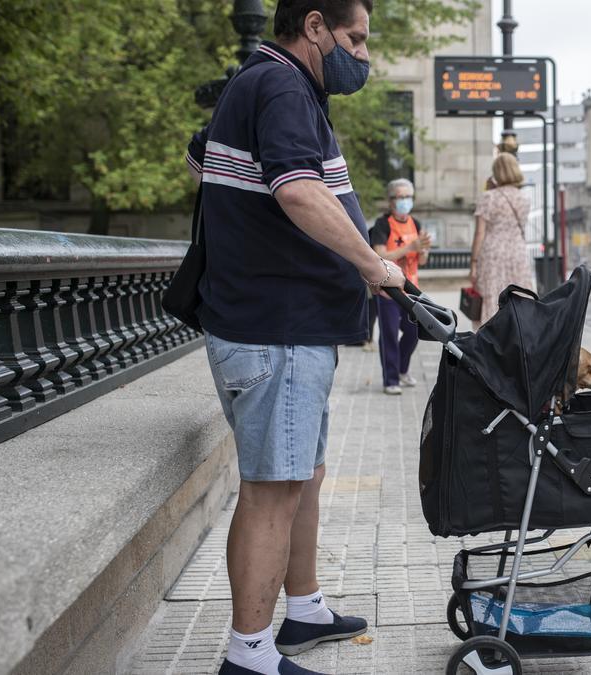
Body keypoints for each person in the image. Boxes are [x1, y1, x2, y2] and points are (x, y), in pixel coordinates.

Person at [184, 2, 404, 674]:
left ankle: (302, 608)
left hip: (285, 324)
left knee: (300, 475)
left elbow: (201, 160)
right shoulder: (280, 84)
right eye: (356, 38)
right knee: (273, 488)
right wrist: (371, 263)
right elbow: (299, 190)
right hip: (274, 327)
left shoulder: (270, 84)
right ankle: (248, 654)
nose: (363, 55)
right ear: (314, 26)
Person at [369, 178, 430, 394]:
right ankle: (391, 379)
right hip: (388, 290)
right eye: (400, 197)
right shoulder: (382, 225)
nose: (404, 201)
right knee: (389, 335)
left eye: (408, 197)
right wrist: (409, 247)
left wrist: (422, 251)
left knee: (414, 332)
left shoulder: (416, 224)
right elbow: (378, 256)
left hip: (411, 289)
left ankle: (403, 369)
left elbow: (421, 261)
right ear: (391, 201)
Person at [470, 152, 534, 328]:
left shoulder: (488, 197)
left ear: (496, 173)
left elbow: (479, 233)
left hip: (493, 254)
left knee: (492, 294)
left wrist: (473, 263)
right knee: (518, 295)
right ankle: (519, 333)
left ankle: (490, 340)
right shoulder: (524, 198)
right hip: (517, 253)